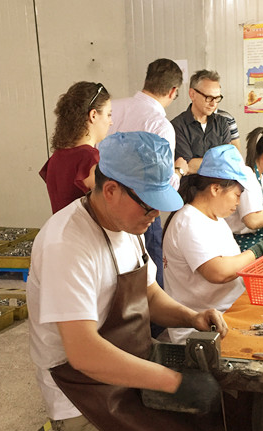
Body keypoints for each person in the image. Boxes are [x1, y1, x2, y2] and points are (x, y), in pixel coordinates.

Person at [27, 131, 263, 431]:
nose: (155, 215)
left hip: (129, 363)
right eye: (148, 204)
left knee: (231, 417)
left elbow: (149, 294)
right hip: (83, 391)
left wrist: (191, 316)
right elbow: (83, 353)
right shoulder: (68, 245)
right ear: (111, 190)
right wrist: (173, 381)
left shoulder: (128, 226)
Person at [163, 145, 263, 345]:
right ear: (215, 189)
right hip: (207, 328)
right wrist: (258, 251)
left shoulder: (216, 219)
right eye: (237, 195)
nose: (239, 202)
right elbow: (218, 272)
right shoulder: (188, 221)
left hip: (229, 311)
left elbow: (232, 263)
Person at [108, 58, 187, 292]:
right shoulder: (160, 125)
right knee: (149, 281)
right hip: (141, 208)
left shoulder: (111, 108)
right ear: (173, 91)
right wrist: (179, 170)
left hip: (105, 204)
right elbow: (164, 184)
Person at [39, 81, 112, 213]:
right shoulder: (89, 158)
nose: (111, 122)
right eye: (108, 114)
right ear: (93, 115)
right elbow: (110, 209)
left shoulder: (56, 157)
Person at [171, 69, 231, 173]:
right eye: (209, 97)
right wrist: (220, 161)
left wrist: (199, 163)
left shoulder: (222, 123)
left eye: (217, 98)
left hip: (221, 182)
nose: (213, 104)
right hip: (192, 183)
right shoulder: (177, 126)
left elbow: (229, 160)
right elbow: (187, 166)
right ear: (192, 94)